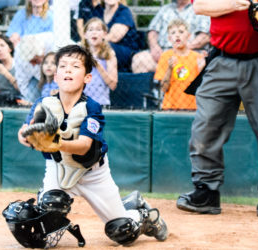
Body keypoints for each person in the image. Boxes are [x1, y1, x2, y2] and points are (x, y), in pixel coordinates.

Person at [16, 44, 168, 247]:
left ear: (87, 77)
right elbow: (25, 130)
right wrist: (26, 137)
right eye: (63, 66)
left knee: (123, 232)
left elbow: (84, 146)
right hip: (58, 168)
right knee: (49, 214)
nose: (68, 69)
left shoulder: (91, 107)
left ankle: (140, 213)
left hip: (93, 173)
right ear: (55, 75)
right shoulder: (43, 104)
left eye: (75, 66)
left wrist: (55, 142)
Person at [176, 0, 258, 217]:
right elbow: (200, 6)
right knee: (205, 125)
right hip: (222, 58)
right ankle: (207, 190)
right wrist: (238, 4)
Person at [131, 0, 210, 73]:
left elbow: (205, 36)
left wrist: (182, 49)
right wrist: (154, 47)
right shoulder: (165, 9)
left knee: (200, 62)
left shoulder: (199, 8)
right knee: (139, 60)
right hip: (162, 53)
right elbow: (152, 31)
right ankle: (155, 87)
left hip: (189, 53)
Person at [154, 19, 205, 111]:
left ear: (188, 36)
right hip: (170, 107)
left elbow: (204, 88)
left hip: (194, 107)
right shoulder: (166, 56)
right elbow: (163, 89)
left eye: (181, 32)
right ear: (169, 38)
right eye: (173, 33)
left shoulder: (198, 57)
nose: (177, 35)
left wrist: (202, 69)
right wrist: (169, 69)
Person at [82, 17, 118, 106]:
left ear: (104, 34)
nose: (94, 32)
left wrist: (98, 66)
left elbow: (113, 85)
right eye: (90, 30)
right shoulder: (80, 54)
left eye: (98, 29)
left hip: (101, 104)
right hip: (81, 103)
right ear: (85, 35)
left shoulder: (109, 55)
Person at [102, 0, 141, 72]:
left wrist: (94, 40)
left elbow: (114, 37)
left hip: (126, 51)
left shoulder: (124, 12)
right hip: (104, 45)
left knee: (103, 46)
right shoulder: (99, 11)